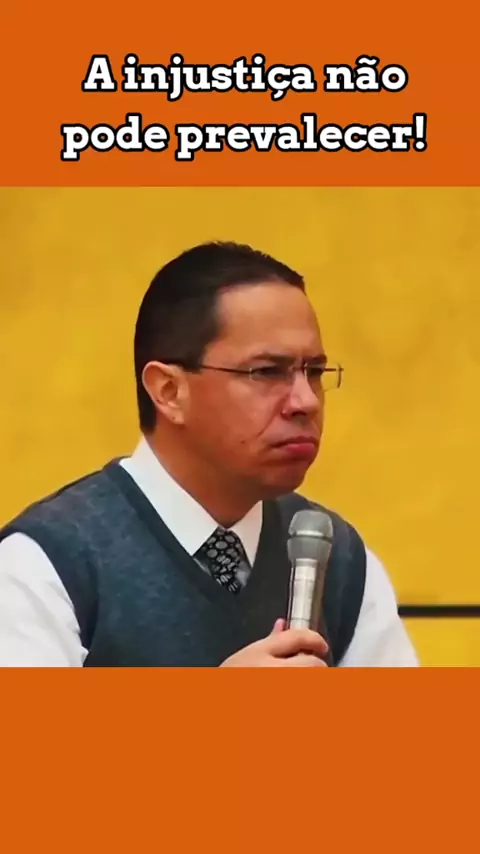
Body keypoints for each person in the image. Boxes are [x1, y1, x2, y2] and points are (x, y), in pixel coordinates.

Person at [0, 241, 418, 667]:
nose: (305, 401)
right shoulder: (48, 563)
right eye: (266, 372)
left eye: (313, 371)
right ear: (169, 391)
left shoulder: (339, 560)